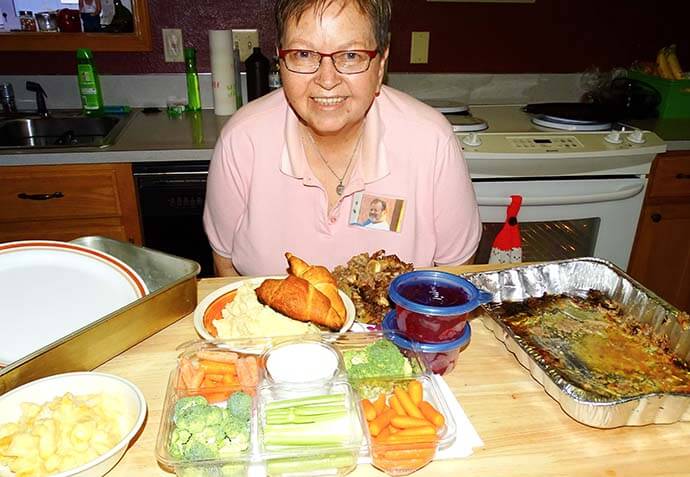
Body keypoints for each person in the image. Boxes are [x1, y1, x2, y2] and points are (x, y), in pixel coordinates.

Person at [203, 0, 481, 276]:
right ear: (281, 60)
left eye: (350, 55)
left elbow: (457, 273)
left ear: (381, 63)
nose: (326, 79)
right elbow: (225, 265)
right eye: (303, 54)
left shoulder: (432, 143)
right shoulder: (241, 141)